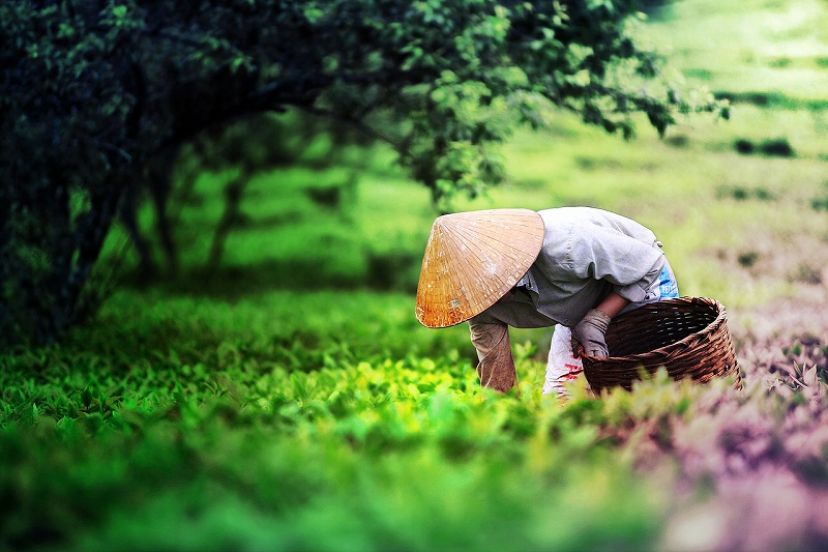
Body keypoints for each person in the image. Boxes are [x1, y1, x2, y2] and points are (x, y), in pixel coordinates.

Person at [414, 206, 679, 397]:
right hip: (576, 304)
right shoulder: (482, 305)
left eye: (489, 284)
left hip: (640, 284)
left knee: (641, 390)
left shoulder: (568, 243)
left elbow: (649, 263)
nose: (487, 296)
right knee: (561, 398)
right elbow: (496, 380)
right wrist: (503, 418)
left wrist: (598, 319)